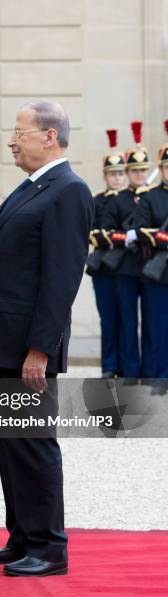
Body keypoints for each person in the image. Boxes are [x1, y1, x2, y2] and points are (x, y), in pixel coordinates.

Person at [0, 100, 94, 577]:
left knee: (32, 443)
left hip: (24, 349)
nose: (12, 140)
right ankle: (23, 536)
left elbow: (60, 281)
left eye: (20, 132)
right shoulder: (32, 187)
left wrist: (40, 348)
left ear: (49, 137)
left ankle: (49, 548)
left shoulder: (68, 190)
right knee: (10, 443)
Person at [101, 121, 153, 379]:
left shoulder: (152, 197)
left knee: (153, 325)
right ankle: (131, 371)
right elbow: (109, 233)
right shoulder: (118, 199)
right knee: (128, 324)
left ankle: (150, 371)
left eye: (143, 170)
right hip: (125, 269)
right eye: (134, 170)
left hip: (150, 270)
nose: (139, 175)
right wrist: (127, 237)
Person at [87, 129, 126, 378]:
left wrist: (109, 237)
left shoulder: (134, 200)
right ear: (105, 176)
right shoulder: (97, 201)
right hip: (103, 269)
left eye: (121, 173)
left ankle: (125, 365)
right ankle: (109, 366)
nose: (117, 178)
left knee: (127, 320)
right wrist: (111, 237)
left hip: (125, 268)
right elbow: (90, 232)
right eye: (112, 174)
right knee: (108, 319)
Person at [133, 120, 168, 395]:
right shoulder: (149, 197)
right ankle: (158, 377)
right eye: (166, 167)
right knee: (156, 326)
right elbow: (141, 231)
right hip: (158, 271)